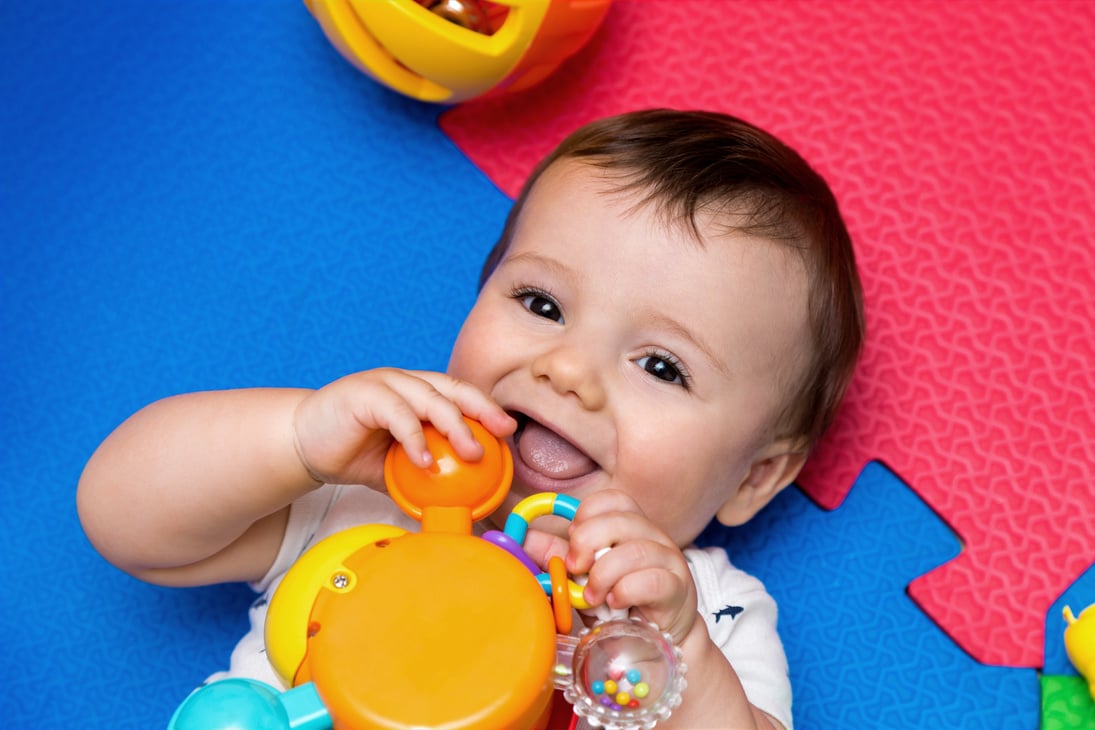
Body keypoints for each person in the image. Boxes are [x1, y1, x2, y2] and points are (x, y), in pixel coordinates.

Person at [77, 109, 864, 730]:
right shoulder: (371, 490)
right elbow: (122, 520)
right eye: (541, 304)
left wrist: (678, 651)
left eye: (661, 366)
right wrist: (297, 438)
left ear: (755, 476)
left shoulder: (696, 609)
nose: (567, 371)